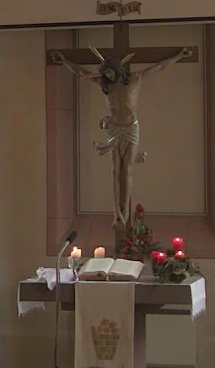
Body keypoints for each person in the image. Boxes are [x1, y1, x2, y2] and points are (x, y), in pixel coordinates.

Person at [53, 45, 192, 234]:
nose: (108, 76)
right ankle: (116, 212)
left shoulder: (134, 79)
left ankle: (125, 210)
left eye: (111, 72)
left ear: (117, 70)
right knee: (114, 170)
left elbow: (158, 67)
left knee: (126, 168)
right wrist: (64, 61)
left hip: (131, 127)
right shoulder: (105, 85)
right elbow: (81, 72)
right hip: (113, 129)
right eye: (106, 73)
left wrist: (178, 56)